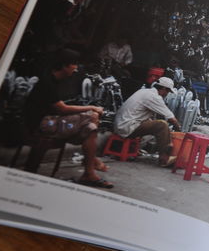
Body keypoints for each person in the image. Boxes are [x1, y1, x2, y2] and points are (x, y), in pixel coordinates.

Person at [25, 49, 112, 188]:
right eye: (74, 65)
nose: (76, 69)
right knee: (92, 117)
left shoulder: (54, 79)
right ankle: (90, 163)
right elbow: (62, 108)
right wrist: (91, 108)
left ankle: (89, 170)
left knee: (91, 129)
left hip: (50, 121)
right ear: (64, 65)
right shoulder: (47, 82)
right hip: (41, 123)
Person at [114, 77, 181, 167]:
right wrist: (180, 130)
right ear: (164, 89)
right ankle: (164, 159)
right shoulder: (154, 97)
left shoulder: (144, 91)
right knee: (162, 125)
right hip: (126, 127)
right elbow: (171, 118)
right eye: (167, 92)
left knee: (150, 121)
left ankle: (134, 148)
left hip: (121, 124)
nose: (166, 94)